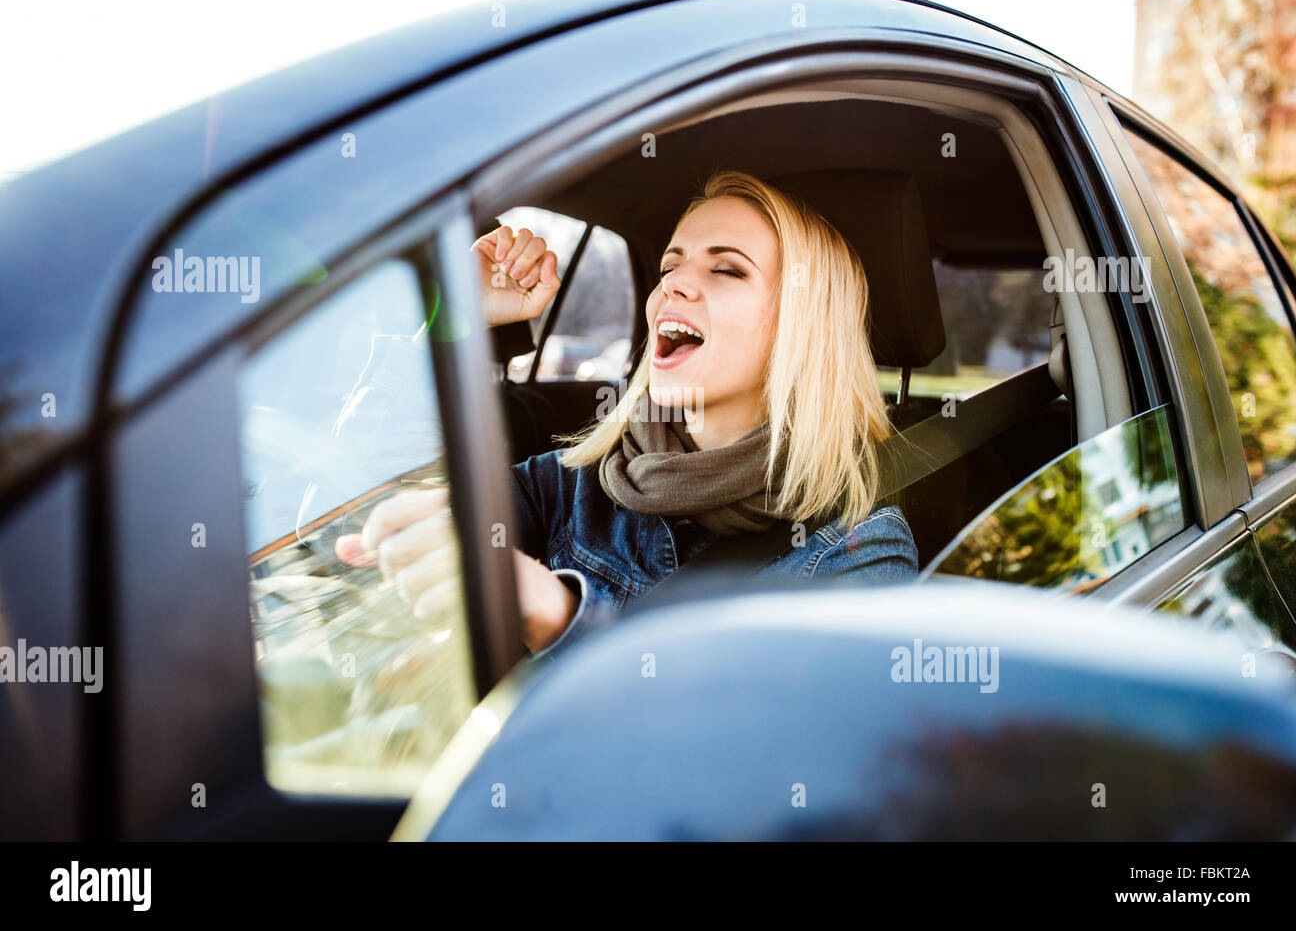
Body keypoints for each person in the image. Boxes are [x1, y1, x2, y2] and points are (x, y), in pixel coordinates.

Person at [336, 170, 918, 659]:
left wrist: (558, 615)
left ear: (804, 325)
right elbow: (362, 504)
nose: (674, 285)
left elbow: (764, 763)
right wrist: (455, 320)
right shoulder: (579, 481)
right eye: (670, 266)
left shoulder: (858, 552)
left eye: (727, 269)